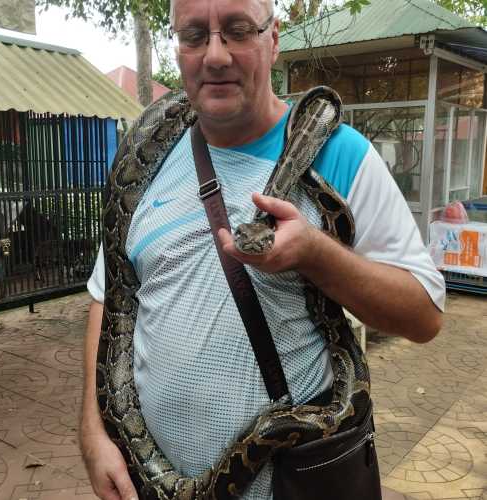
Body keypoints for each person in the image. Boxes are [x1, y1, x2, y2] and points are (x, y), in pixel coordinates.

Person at [80, 0, 445, 499]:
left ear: (273, 38)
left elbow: (424, 315)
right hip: (149, 480)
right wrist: (94, 429)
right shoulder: (143, 166)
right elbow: (112, 297)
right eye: (194, 36)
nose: (215, 55)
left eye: (236, 31)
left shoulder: (340, 155)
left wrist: (316, 253)